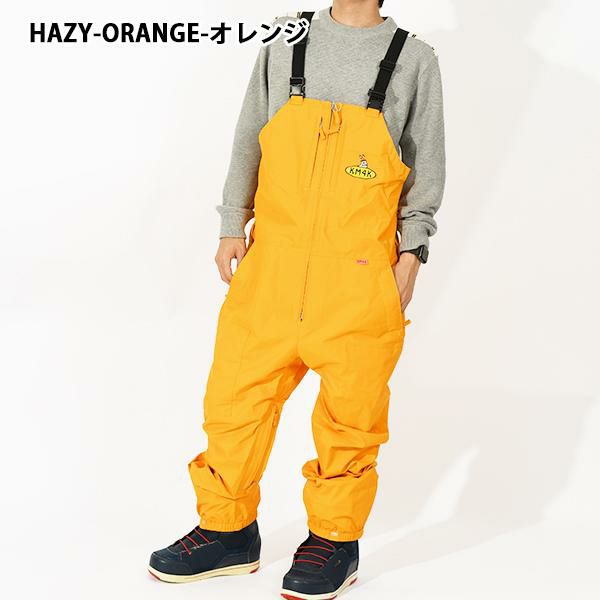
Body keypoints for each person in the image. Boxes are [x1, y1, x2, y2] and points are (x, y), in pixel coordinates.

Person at [148, 2, 445, 598]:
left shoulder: (415, 59)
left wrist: (412, 252)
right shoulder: (287, 41)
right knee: (236, 400)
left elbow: (425, 161)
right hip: (272, 268)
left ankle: (334, 539)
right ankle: (227, 531)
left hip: (360, 275)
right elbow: (249, 136)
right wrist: (232, 222)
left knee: (351, 416)